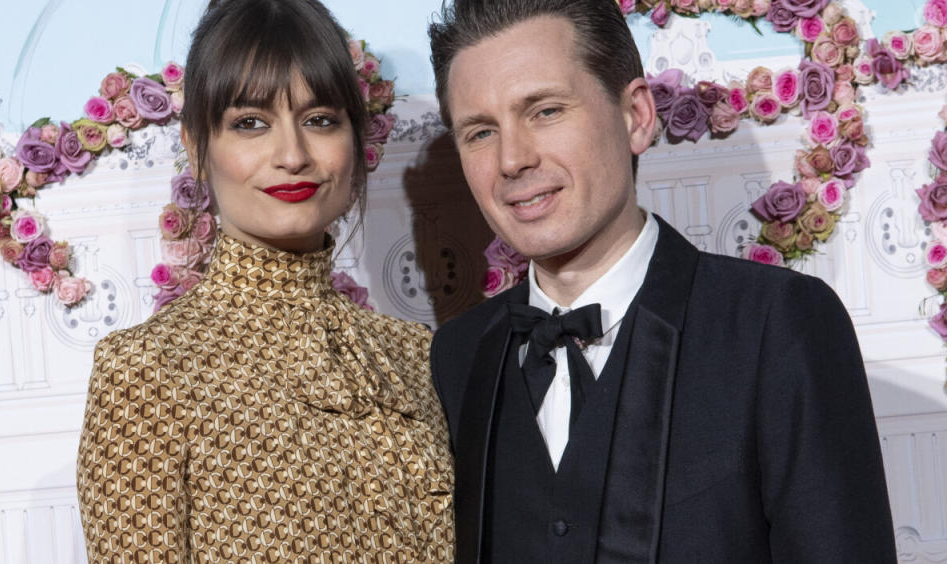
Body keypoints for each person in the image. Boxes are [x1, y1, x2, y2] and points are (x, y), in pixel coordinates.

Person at [427, 0, 896, 562]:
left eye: (546, 111)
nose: (511, 159)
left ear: (636, 116)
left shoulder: (778, 325)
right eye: (480, 132)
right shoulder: (457, 357)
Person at [76, 1, 454, 561]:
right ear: (197, 147)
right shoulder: (146, 374)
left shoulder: (416, 356)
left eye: (320, 119)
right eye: (250, 123)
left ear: (354, 138)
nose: (293, 155)